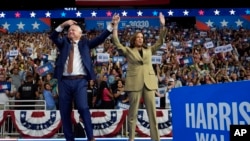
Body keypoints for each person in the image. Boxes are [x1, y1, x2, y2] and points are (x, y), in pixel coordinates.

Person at [49, 15, 117, 141]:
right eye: (69, 30)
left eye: (73, 30)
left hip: (80, 81)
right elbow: (53, 36)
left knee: (83, 107)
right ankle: (69, 139)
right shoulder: (63, 43)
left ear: (80, 34)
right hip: (64, 81)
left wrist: (111, 26)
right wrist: (64, 24)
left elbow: (100, 38)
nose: (70, 31)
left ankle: (90, 137)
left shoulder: (85, 43)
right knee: (64, 111)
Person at [112, 12, 167, 141]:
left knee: (152, 114)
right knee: (133, 114)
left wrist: (162, 25)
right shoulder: (129, 50)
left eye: (142, 37)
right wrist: (115, 27)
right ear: (134, 40)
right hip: (134, 84)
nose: (141, 39)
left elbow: (160, 41)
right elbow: (117, 43)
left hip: (149, 84)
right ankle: (131, 138)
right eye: (138, 37)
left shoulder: (149, 50)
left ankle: (156, 139)